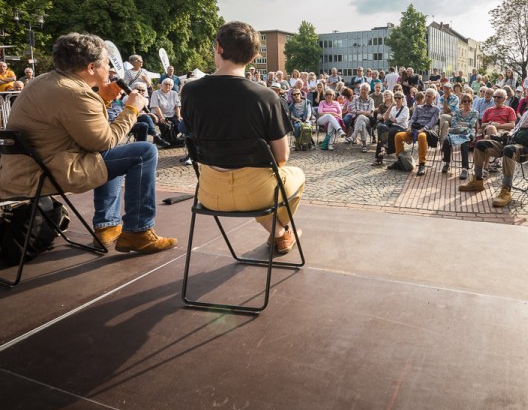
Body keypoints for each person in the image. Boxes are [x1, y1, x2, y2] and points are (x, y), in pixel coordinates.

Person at [0, 33, 176, 253]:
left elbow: (75, 126)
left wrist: (102, 99)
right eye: (106, 63)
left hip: (23, 170)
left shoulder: (41, 82)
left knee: (120, 156)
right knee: (144, 152)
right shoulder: (75, 93)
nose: (109, 68)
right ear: (92, 67)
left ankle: (107, 226)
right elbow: (104, 142)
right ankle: (138, 232)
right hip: (48, 172)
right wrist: (132, 109)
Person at [181, 22, 304, 254]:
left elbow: (193, 136)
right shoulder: (266, 97)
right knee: (298, 175)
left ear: (218, 48)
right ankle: (280, 232)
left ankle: (279, 233)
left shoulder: (189, 91)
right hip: (257, 195)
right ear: (254, 56)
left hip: (209, 194)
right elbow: (282, 157)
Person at [391, 88, 440, 176]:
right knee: (398, 136)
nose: (427, 98)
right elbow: (413, 118)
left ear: (434, 98)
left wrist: (422, 130)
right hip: (414, 129)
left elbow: (432, 123)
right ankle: (400, 160)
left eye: (430, 96)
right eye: (426, 96)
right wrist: (409, 127)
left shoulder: (436, 109)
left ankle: (422, 164)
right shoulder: (418, 107)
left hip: (426, 131)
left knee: (421, 136)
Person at [441, 94, 479, 179]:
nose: (467, 103)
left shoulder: (475, 112)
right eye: (465, 101)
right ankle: (447, 163)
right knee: (447, 140)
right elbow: (453, 123)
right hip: (457, 132)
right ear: (462, 102)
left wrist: (460, 123)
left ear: (471, 102)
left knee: (464, 143)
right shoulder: (458, 112)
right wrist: (464, 124)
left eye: (469, 101)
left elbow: (471, 125)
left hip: (468, 133)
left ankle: (465, 169)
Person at [373, 91, 409, 166]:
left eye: (399, 98)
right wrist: (391, 106)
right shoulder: (393, 108)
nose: (397, 99)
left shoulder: (405, 109)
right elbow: (385, 118)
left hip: (400, 127)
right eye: (395, 97)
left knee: (389, 132)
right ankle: (383, 150)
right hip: (391, 125)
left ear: (402, 99)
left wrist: (393, 119)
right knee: (381, 127)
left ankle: (381, 154)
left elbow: (399, 120)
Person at [346, 82, 375, 152]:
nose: (363, 91)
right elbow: (353, 110)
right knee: (362, 123)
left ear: (368, 91)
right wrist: (363, 113)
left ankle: (353, 136)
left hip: (368, 120)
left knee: (361, 118)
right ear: (360, 90)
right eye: (362, 89)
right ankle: (364, 145)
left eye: (365, 89)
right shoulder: (355, 99)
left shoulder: (371, 100)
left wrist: (360, 112)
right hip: (357, 120)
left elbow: (370, 112)